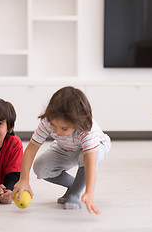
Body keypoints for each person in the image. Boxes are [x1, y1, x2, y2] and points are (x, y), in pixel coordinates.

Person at [12, 86, 111, 214]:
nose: (57, 131)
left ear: (77, 123)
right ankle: (74, 186)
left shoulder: (86, 130)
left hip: (94, 148)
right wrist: (24, 179)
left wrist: (90, 192)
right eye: (53, 125)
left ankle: (75, 193)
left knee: (93, 155)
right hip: (65, 147)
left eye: (64, 128)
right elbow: (31, 149)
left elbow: (90, 161)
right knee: (40, 167)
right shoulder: (47, 121)